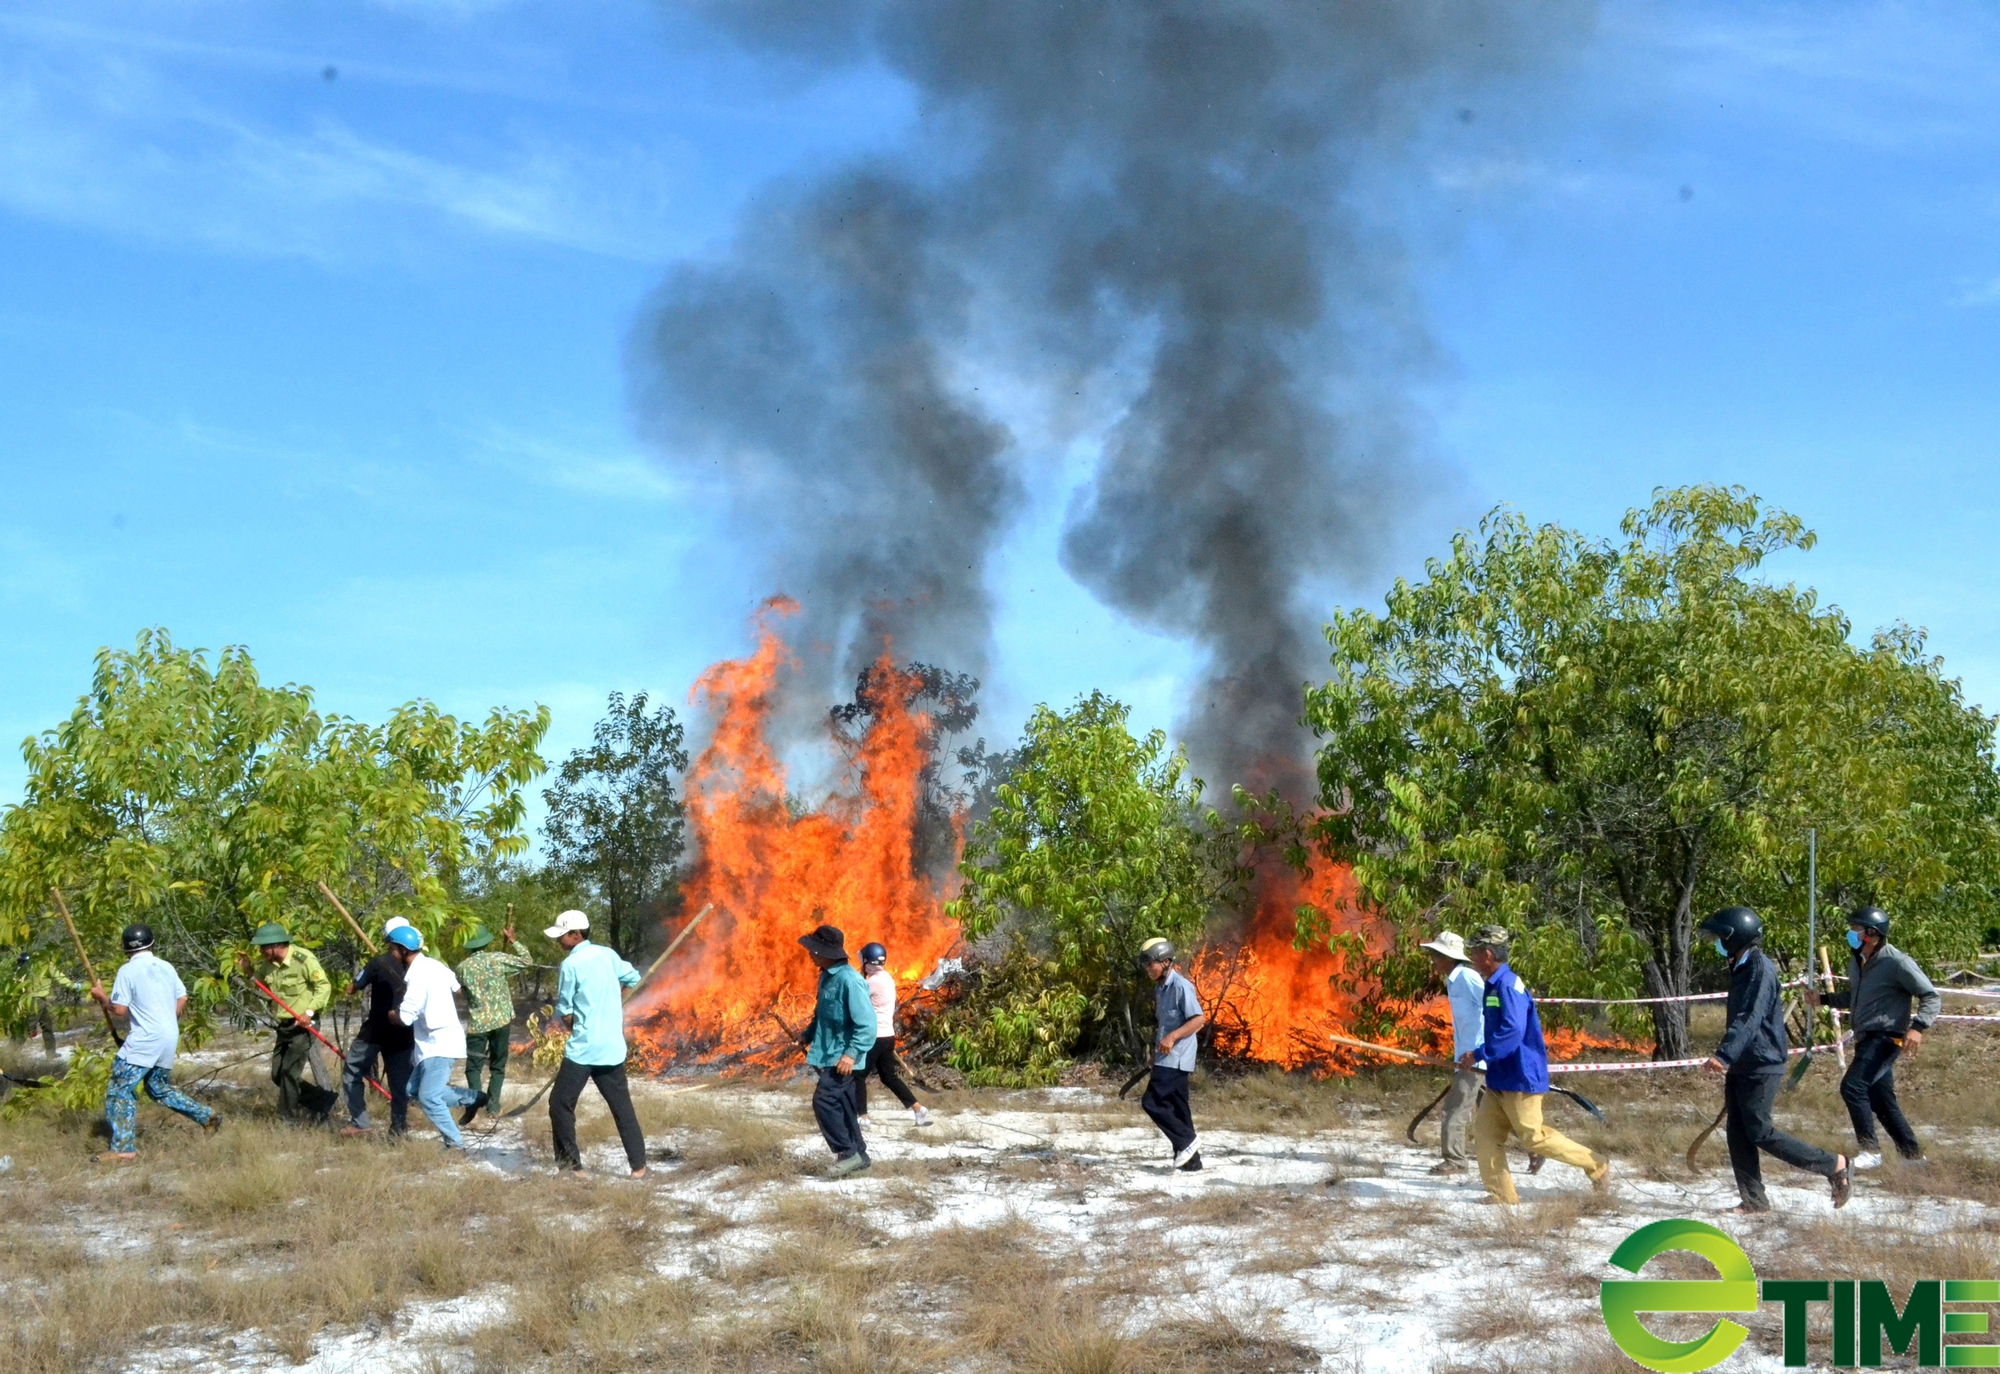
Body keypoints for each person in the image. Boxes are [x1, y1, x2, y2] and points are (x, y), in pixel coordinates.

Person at [1698, 906, 1851, 1212]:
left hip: (1762, 1063)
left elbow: (1749, 1017)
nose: (1715, 943)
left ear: (1734, 937)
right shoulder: (1739, 964)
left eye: (1718, 937)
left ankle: (1834, 1164)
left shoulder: (1759, 968)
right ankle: (1754, 1201)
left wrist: (1724, 1054)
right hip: (1745, 1063)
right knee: (1739, 1135)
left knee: (1760, 1132)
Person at [1458, 924, 1609, 1204]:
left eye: (1475, 952)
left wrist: (1479, 1054)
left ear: (1488, 954)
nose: (1472, 958)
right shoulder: (1494, 984)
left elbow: (1512, 1031)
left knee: (1534, 1138)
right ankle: (1502, 1195)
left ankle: (1596, 1164)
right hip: (1500, 1078)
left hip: (1519, 1077)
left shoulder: (1508, 986)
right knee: (1486, 1137)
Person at [1807, 905, 1941, 1169]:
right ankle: (1913, 1157)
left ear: (1872, 933)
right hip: (1865, 1037)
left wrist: (1918, 1027)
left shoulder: (1897, 962)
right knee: (1881, 1099)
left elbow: (1930, 996)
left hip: (1886, 1038)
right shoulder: (1857, 962)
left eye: (1856, 929)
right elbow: (1856, 998)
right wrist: (1822, 999)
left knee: (1852, 1087)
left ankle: (1870, 1151)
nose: (1851, 933)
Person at [89, 923, 220, 1162]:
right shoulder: (166, 967)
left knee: (119, 1090)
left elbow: (118, 1009)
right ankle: (205, 1115)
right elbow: (183, 996)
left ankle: (123, 1148)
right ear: (152, 943)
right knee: (157, 1089)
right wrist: (168, 1018)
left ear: (125, 948)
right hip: (169, 1035)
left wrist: (101, 997)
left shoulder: (127, 971)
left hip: (145, 1038)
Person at [546, 910, 648, 1179]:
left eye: (562, 935)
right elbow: (634, 979)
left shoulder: (571, 965)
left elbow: (566, 1010)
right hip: (612, 1046)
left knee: (559, 1104)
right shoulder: (608, 955)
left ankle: (571, 1168)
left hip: (584, 1049)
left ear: (576, 935)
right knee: (622, 1107)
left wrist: (573, 1026)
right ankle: (639, 1168)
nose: (559, 940)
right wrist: (614, 1000)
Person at [388, 926, 483, 1149]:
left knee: (429, 1098)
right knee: (413, 1091)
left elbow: (405, 1018)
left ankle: (455, 1144)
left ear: (403, 950)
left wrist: (391, 1014)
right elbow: (457, 988)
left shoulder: (418, 978)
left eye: (392, 948)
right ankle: (471, 1098)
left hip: (440, 1044)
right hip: (432, 1043)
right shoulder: (434, 965)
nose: (390, 953)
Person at [797, 922, 877, 1177]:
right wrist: (807, 1035)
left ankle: (847, 1153)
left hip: (843, 1057)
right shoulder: (825, 977)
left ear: (825, 952)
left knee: (825, 1101)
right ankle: (859, 1154)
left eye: (814, 949)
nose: (810, 953)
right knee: (842, 1102)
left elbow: (867, 1024)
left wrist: (850, 1054)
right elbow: (822, 1014)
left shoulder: (850, 981)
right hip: (829, 1051)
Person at [247, 923, 337, 1124]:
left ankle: (286, 1119)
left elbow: (323, 986)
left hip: (304, 1024)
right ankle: (324, 1101)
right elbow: (260, 986)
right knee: (278, 1074)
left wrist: (309, 1012)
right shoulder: (267, 966)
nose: (261, 952)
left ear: (276, 945)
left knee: (289, 1072)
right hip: (285, 1024)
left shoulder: (303, 959)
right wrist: (248, 971)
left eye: (263, 947)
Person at [338, 919, 416, 1139]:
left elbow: (353, 988)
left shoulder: (377, 962)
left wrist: (371, 971)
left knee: (352, 1071)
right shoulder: (420, 967)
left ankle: (360, 1123)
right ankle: (399, 1129)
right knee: (400, 1085)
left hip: (375, 1031)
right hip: (404, 1033)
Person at [1138, 936, 1207, 1173]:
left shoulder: (1181, 987)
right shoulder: (1161, 989)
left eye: (1151, 964)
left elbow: (1198, 1019)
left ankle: (1186, 1142)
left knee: (1151, 1102)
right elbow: (1164, 1026)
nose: (1148, 969)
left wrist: (1172, 1037)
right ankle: (1192, 1163)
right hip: (1165, 1058)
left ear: (1166, 961)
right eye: (1146, 965)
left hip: (1177, 1058)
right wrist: (1155, 1053)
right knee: (1178, 1108)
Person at [1419, 930, 1485, 1174]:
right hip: (1470, 1058)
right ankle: (1534, 1150)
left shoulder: (1467, 977)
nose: (1433, 959)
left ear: (1448, 956)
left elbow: (1494, 1005)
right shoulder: (1453, 979)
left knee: (1455, 1109)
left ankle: (1455, 1161)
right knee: (1500, 1110)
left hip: (1476, 1059)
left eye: (1436, 954)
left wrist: (1481, 1050)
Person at [455, 922, 532, 1126]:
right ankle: (493, 1106)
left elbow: (461, 991)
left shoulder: (462, 968)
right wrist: (513, 940)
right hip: (501, 1021)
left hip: (478, 1024)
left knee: (473, 1067)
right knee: (498, 1065)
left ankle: (474, 1102)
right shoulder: (498, 958)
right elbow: (527, 961)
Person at [854, 941, 930, 1127]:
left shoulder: (870, 982)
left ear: (868, 961)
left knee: (858, 1076)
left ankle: (863, 1117)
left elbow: (855, 1002)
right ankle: (918, 1109)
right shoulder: (887, 978)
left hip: (874, 1037)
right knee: (888, 1077)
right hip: (888, 1036)